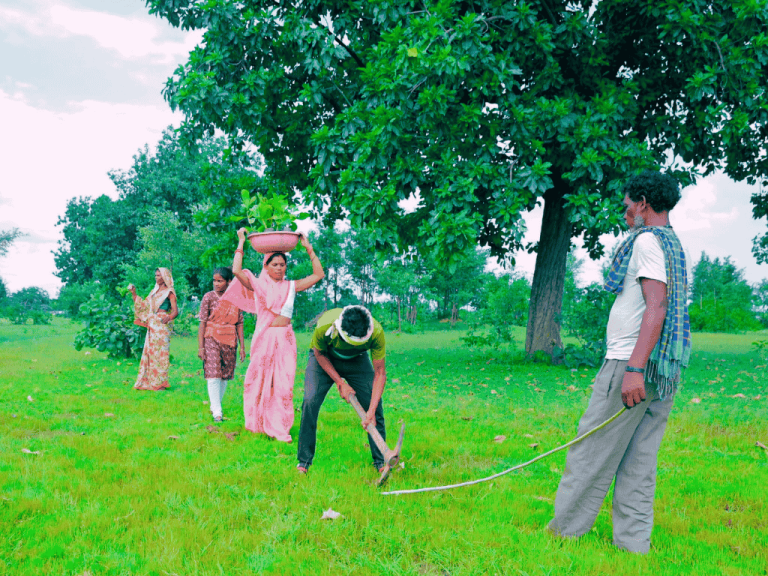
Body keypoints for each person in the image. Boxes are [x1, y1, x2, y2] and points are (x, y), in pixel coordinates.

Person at [548, 170, 691, 553]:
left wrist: (632, 368)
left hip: (632, 365)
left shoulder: (646, 241)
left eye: (627, 205)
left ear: (643, 203)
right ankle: (632, 547)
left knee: (589, 449)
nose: (624, 212)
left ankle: (563, 534)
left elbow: (656, 307)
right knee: (639, 461)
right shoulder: (674, 245)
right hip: (663, 370)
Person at [222, 227, 324, 441]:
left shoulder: (291, 286)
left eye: (282, 265)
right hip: (265, 339)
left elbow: (318, 275)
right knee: (261, 381)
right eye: (274, 265)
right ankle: (258, 422)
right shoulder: (258, 285)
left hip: (285, 339)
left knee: (283, 384)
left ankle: (279, 427)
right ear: (266, 267)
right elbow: (237, 271)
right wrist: (241, 241)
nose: (279, 268)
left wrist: (309, 248)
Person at [297, 305, 388, 475]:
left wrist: (371, 410)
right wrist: (339, 382)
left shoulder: (376, 332)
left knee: (374, 403)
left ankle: (381, 460)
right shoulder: (325, 324)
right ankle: (304, 461)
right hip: (324, 357)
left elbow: (380, 373)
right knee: (310, 400)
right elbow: (319, 353)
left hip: (358, 360)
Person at [198, 267, 245, 422]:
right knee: (213, 373)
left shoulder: (235, 298)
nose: (216, 284)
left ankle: (215, 404)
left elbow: (239, 323)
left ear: (229, 282)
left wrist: (243, 347)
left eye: (220, 281)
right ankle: (217, 412)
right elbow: (203, 322)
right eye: (214, 280)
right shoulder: (208, 297)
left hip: (230, 339)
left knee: (224, 376)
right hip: (211, 337)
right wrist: (201, 346)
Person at [129, 267, 179, 391]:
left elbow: (175, 311)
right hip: (153, 324)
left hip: (162, 326)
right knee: (151, 353)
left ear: (165, 277)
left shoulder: (169, 292)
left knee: (161, 353)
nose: (157, 278)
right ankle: (149, 381)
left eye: (159, 275)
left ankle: (160, 383)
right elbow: (145, 306)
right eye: (156, 275)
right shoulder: (154, 292)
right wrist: (134, 294)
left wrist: (169, 317)